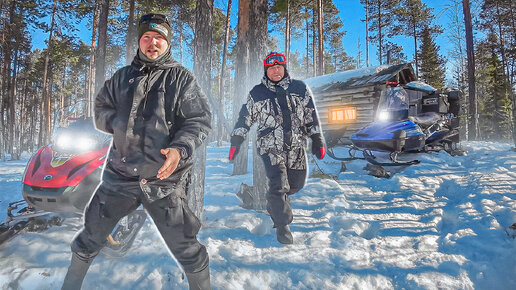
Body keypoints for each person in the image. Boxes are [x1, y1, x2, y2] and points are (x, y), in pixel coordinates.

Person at [62, 13, 212, 290]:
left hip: (163, 180)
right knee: (89, 238)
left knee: (186, 247)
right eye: (146, 37)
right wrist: (118, 123)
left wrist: (179, 149)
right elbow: (100, 109)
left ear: (167, 43)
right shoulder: (122, 78)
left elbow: (198, 121)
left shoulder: (181, 78)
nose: (152, 42)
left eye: (158, 38)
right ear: (139, 42)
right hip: (119, 177)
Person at [229, 52, 326, 244]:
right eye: (271, 68)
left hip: (296, 145)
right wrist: (236, 139)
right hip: (270, 146)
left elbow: (310, 115)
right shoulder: (257, 93)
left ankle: (274, 203)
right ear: (266, 71)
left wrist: (317, 138)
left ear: (284, 68)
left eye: (278, 67)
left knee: (295, 184)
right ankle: (283, 226)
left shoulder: (300, 88)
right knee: (278, 184)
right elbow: (245, 118)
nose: (275, 70)